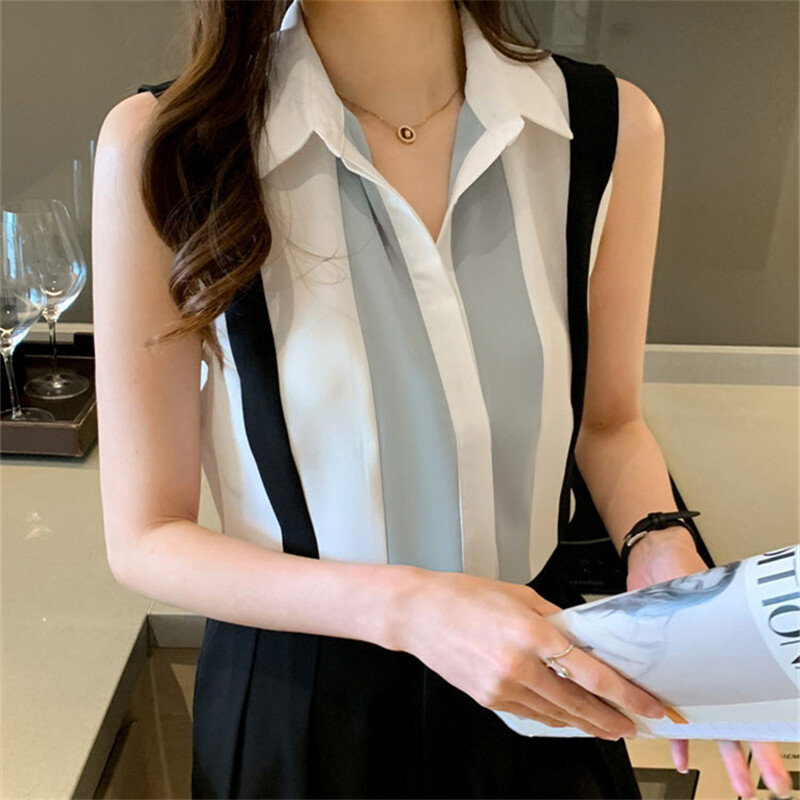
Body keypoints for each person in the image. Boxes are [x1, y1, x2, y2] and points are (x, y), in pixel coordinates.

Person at [91, 0, 794, 798]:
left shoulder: (607, 128)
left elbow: (609, 424)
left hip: (546, 678)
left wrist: (660, 545)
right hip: (301, 707)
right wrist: (414, 610)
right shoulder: (168, 148)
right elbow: (147, 536)